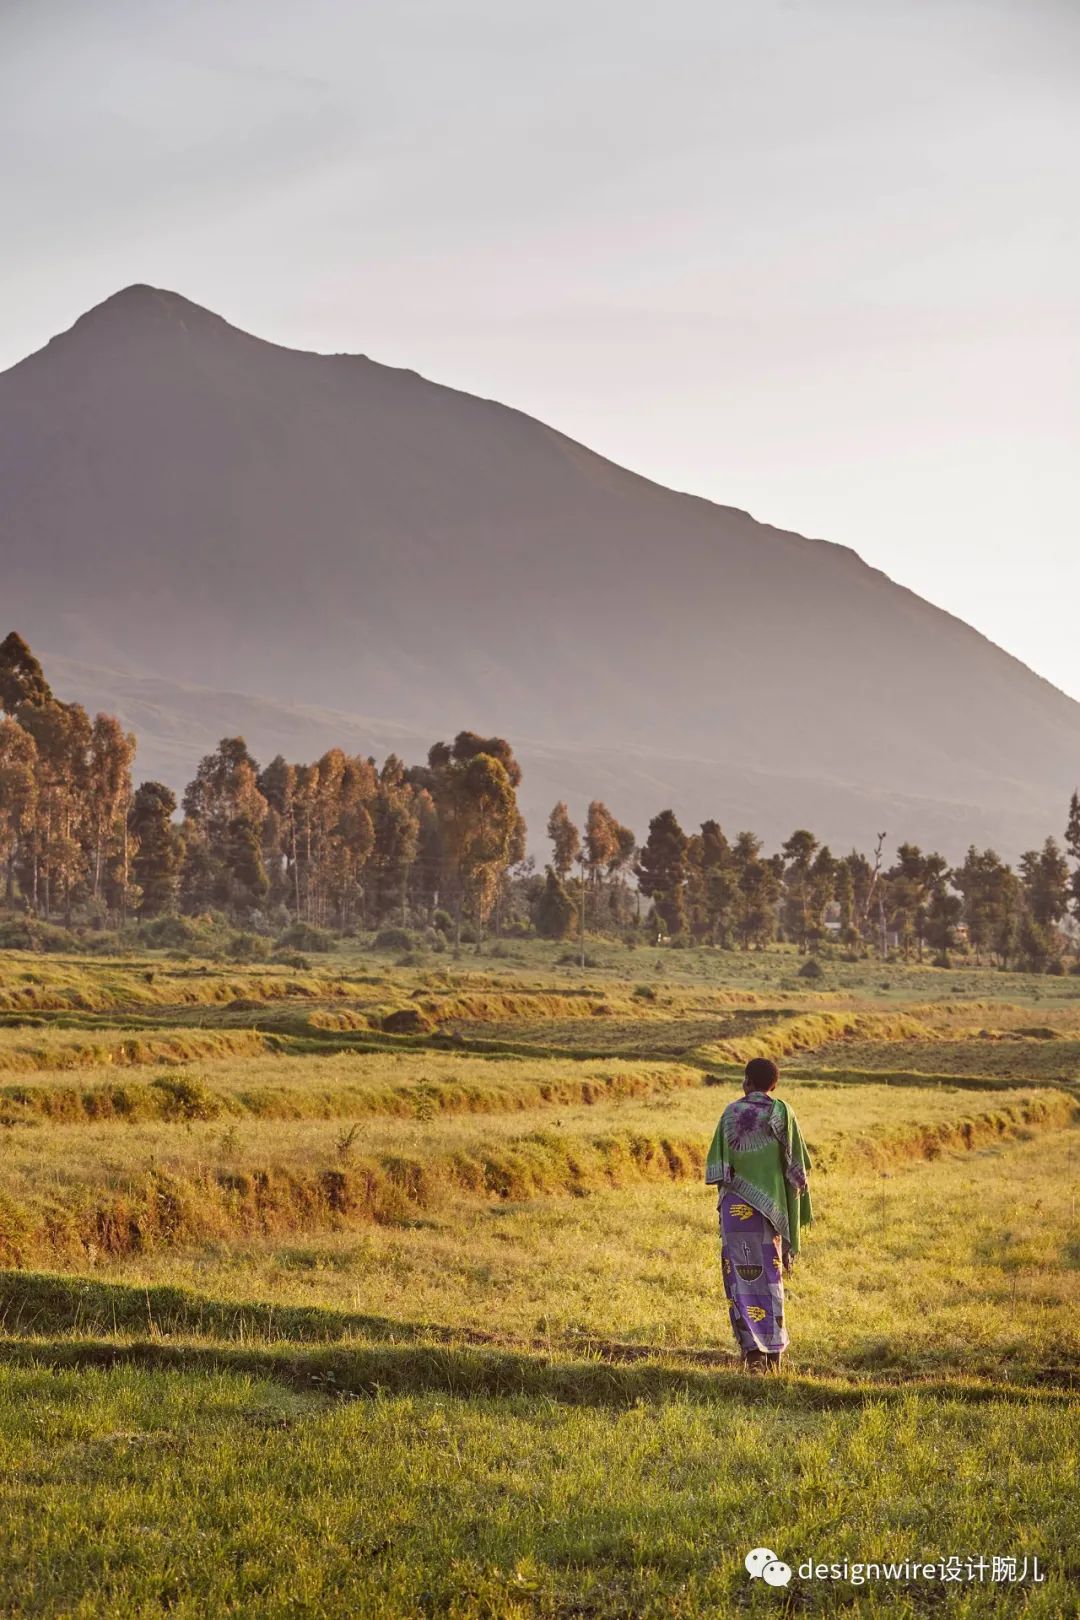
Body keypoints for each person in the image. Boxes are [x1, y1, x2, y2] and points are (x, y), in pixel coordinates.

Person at [705, 1056, 812, 1373]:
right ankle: (774, 1353)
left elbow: (719, 1168)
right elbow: (797, 1171)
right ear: (774, 1085)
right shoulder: (783, 1112)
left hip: (736, 1211)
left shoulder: (730, 1112)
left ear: (747, 1081)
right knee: (770, 1277)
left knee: (739, 1278)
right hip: (772, 1211)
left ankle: (753, 1355)